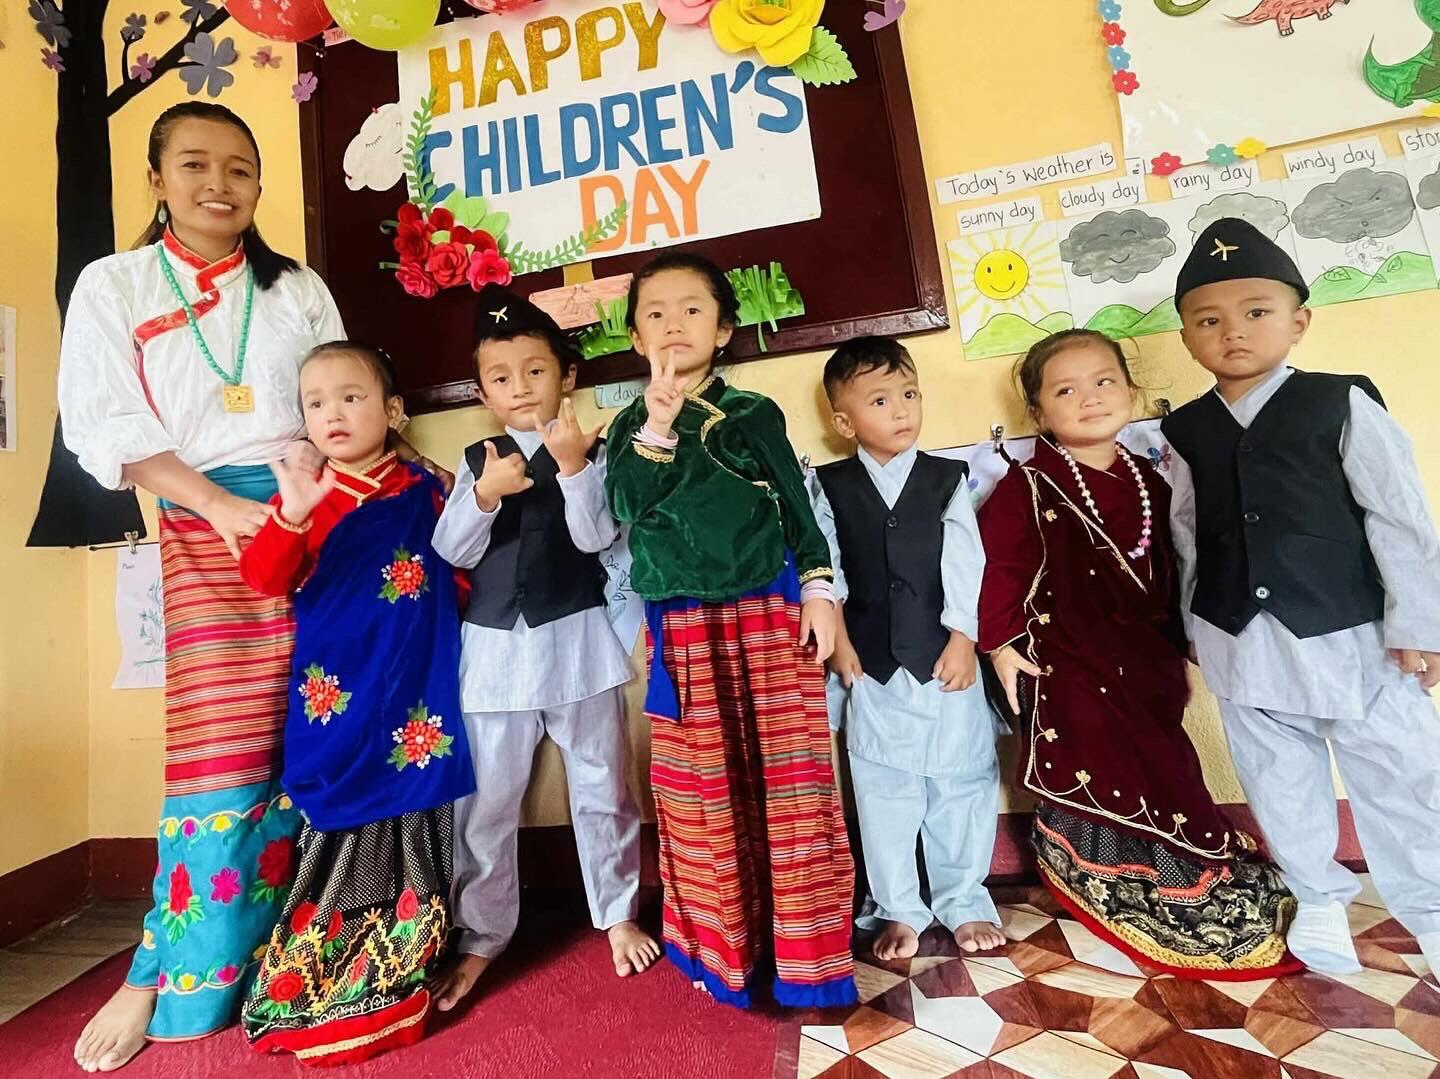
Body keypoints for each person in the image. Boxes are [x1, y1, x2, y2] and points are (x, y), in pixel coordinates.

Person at [58, 102, 443, 1073]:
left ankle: (304, 951)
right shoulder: (114, 283)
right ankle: (165, 968)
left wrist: (353, 503)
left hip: (322, 523)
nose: (218, 185)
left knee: (321, 734)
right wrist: (219, 507)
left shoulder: (296, 287)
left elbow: (340, 402)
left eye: (239, 168)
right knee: (220, 759)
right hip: (204, 525)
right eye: (194, 165)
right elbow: (103, 422)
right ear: (157, 178)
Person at [1164, 217, 1440, 976]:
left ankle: (1432, 908)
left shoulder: (1340, 402)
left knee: (1404, 773)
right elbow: (1185, 532)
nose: (1233, 331)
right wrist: (1192, 623)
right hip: (1238, 638)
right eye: (1208, 320)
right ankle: (1317, 895)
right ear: (1186, 336)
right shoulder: (1185, 430)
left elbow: (1400, 517)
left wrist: (1420, 622)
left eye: (1256, 311)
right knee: (1277, 777)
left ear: (1299, 321)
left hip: (1353, 633)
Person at [978, 328, 1297, 979]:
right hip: (1066, 662)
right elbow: (996, 571)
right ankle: (1104, 873)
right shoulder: (1025, 486)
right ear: (1038, 411)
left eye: (1104, 382)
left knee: (1165, 760)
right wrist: (1000, 645)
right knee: (1098, 756)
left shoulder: (1153, 479)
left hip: (1147, 660)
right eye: (1066, 390)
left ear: (1130, 389)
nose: (1090, 398)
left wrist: (1193, 642)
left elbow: (1179, 570)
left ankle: (1187, 869)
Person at [605, 252, 856, 1008]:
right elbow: (625, 505)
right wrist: (657, 420)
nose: (673, 323)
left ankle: (807, 962)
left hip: (768, 613)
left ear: (723, 329)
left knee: (791, 785)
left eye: (692, 309)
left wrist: (819, 591)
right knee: (702, 792)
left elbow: (798, 507)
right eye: (655, 313)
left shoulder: (752, 413)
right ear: (635, 337)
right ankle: (726, 954)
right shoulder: (627, 426)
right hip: (683, 625)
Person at [233, 342, 473, 1064]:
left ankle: (399, 978)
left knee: (415, 813)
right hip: (333, 698)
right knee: (339, 815)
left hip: (414, 689)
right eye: (315, 402)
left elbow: (460, 572)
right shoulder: (304, 495)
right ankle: (310, 986)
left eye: (350, 396)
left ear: (393, 410)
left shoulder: (428, 490)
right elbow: (265, 577)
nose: (331, 413)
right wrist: (292, 516)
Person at [429, 285, 656, 1011]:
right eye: (501, 377)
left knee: (603, 785)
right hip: (494, 654)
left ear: (567, 376)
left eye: (535, 370)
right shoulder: (477, 457)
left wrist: (575, 468)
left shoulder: (594, 449)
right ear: (482, 392)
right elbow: (451, 550)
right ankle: (481, 935)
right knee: (486, 802)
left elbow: (597, 539)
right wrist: (485, 495)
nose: (520, 387)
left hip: (577, 641)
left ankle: (616, 914)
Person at [808, 336, 1005, 961]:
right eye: (880, 400)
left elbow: (967, 564)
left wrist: (964, 638)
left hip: (944, 656)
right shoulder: (829, 485)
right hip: (869, 662)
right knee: (882, 788)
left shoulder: (947, 480)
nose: (901, 410)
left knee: (962, 780)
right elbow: (825, 567)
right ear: (844, 422)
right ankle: (898, 908)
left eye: (909, 394)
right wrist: (839, 643)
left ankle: (964, 899)